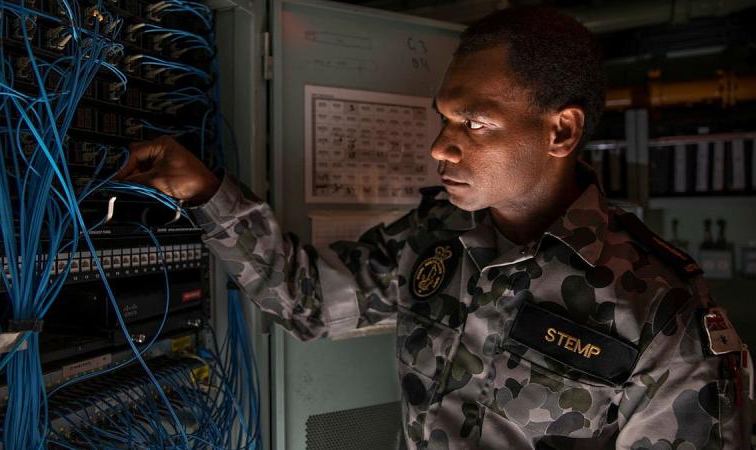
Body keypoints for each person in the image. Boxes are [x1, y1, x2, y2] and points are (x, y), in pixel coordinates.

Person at [115, 6, 752, 449]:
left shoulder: (661, 311)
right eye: (444, 119)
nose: (440, 147)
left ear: (560, 131)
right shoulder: (437, 234)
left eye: (474, 123)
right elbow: (308, 300)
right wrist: (206, 193)